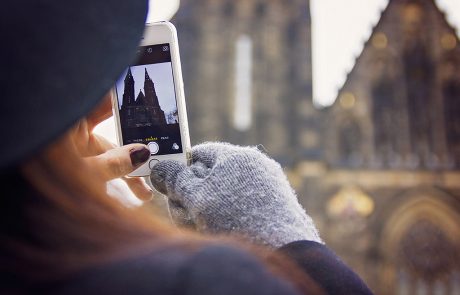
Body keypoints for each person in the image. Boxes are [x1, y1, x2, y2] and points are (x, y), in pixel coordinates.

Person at [0, 0, 373, 294]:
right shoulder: (192, 280)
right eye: (82, 82)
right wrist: (290, 248)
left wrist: (48, 196)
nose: (105, 106)